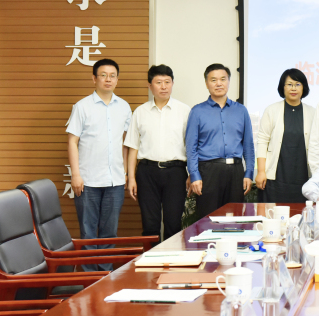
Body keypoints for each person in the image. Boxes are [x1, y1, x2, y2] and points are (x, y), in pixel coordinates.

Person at [65, 58, 132, 271]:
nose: (108, 79)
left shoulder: (124, 107)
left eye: (112, 76)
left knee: (109, 232)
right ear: (94, 78)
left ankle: (104, 275)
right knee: (88, 232)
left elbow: (126, 144)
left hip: (115, 180)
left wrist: (126, 173)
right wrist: (76, 175)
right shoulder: (82, 106)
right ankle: (88, 278)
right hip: (88, 180)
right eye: (103, 75)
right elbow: (72, 141)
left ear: (117, 80)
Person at [125, 65, 191, 242]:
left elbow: (191, 146)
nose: (164, 87)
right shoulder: (140, 112)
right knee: (150, 225)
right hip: (147, 172)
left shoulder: (184, 111)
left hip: (176, 172)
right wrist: (131, 178)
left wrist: (192, 174)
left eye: (167, 82)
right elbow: (133, 147)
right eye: (159, 82)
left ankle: (172, 259)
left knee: (173, 224)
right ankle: (151, 260)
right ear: (150, 86)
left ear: (173, 84)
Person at [186, 64, 255, 219]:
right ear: (206, 83)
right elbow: (191, 147)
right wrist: (194, 175)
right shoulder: (197, 111)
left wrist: (249, 173)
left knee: (235, 219)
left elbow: (248, 145)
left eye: (223, 79)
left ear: (229, 81)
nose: (219, 83)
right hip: (208, 172)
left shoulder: (241, 111)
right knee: (207, 219)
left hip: (235, 171)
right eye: (213, 80)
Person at [255, 68, 315, 203]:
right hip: (276, 178)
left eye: (298, 84)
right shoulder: (271, 110)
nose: (293, 88)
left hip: (303, 177)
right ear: (283, 87)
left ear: (304, 87)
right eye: (289, 84)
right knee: (273, 213)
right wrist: (261, 171)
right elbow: (262, 141)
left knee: (302, 213)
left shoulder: (312, 112)